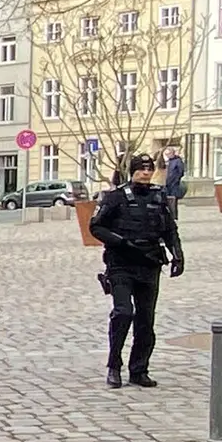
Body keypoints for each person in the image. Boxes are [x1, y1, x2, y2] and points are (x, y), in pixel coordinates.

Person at [90, 154, 183, 389]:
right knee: (123, 312)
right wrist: (120, 242)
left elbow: (170, 229)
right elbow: (96, 226)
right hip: (121, 263)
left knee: (145, 320)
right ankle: (114, 365)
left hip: (149, 263)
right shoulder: (116, 197)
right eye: (141, 169)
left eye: (149, 169)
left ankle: (139, 369)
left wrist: (178, 255)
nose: (146, 173)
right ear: (132, 171)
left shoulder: (158, 196)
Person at [162, 145, 187, 222]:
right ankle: (170, 215)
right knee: (167, 199)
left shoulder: (177, 161)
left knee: (173, 200)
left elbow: (181, 172)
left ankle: (174, 216)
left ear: (172, 153)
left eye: (168, 154)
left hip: (174, 183)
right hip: (167, 183)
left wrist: (176, 179)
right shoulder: (168, 161)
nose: (167, 155)